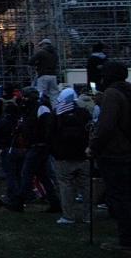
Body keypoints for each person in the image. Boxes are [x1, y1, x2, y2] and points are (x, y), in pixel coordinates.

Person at [88, 61, 131, 251]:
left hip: (115, 153)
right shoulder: (126, 92)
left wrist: (93, 147)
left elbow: (106, 127)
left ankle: (126, 240)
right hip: (127, 151)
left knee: (119, 198)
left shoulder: (112, 95)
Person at [6, 87, 61, 213]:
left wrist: (45, 143)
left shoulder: (41, 108)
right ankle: (55, 203)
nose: (24, 99)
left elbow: (47, 128)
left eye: (25, 97)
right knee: (43, 176)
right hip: (35, 146)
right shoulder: (29, 110)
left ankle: (19, 202)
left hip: (39, 146)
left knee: (27, 173)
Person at [50, 87, 91, 225]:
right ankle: (88, 215)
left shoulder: (58, 114)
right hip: (83, 155)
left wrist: (55, 152)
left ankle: (68, 216)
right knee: (86, 187)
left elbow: (52, 134)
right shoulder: (84, 113)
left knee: (66, 187)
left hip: (64, 156)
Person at [30, 38, 60, 102]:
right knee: (54, 94)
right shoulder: (55, 54)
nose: (41, 47)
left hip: (43, 75)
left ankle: (41, 109)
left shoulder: (41, 52)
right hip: (53, 76)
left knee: (41, 93)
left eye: (41, 45)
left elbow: (31, 61)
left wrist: (37, 64)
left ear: (44, 44)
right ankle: (55, 109)